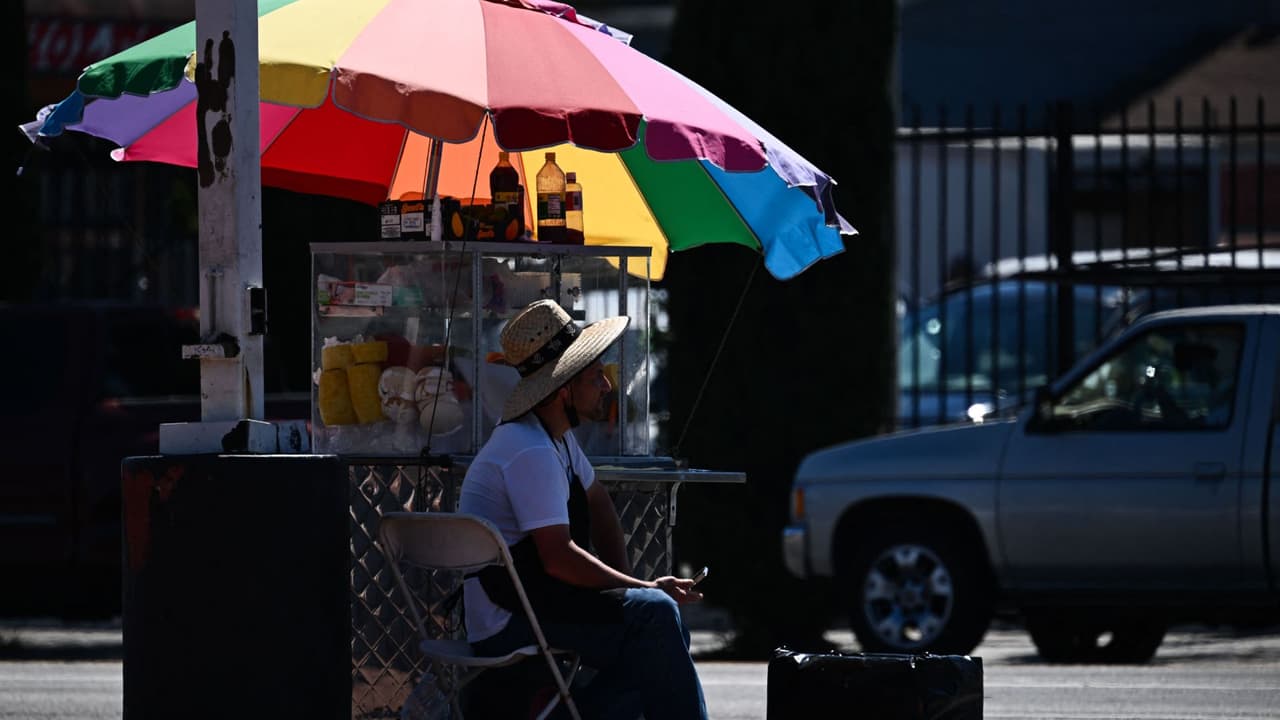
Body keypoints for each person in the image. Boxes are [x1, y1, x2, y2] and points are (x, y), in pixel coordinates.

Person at [458, 299, 708, 720]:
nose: (607, 386)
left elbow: (601, 504)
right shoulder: (529, 449)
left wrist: (628, 591)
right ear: (562, 390)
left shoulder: (556, 439)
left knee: (657, 625)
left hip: (539, 604)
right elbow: (558, 559)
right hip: (508, 622)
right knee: (658, 618)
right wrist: (642, 590)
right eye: (596, 376)